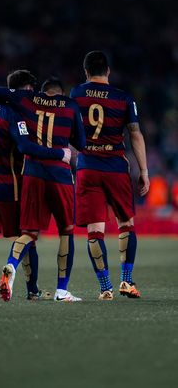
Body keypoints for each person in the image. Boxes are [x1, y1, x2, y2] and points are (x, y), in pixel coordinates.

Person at [0, 70, 71, 302]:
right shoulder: (15, 114)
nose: (33, 94)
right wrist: (59, 153)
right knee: (28, 234)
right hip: (8, 185)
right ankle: (32, 290)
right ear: (22, 90)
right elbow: (24, 147)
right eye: (30, 90)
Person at [70, 50, 150, 300]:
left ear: (86, 72)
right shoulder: (123, 98)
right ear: (108, 72)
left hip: (88, 167)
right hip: (115, 166)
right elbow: (135, 134)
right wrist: (144, 171)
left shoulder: (76, 94)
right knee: (126, 223)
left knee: (95, 230)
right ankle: (126, 282)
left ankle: (105, 287)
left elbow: (69, 130)